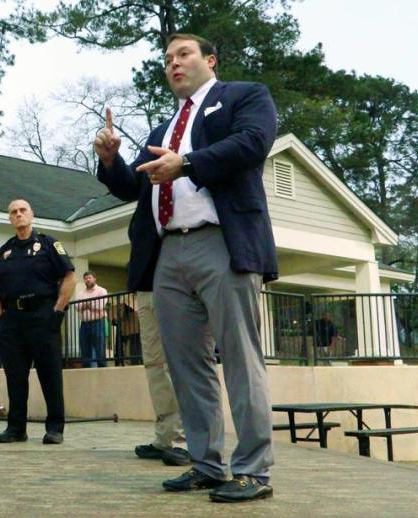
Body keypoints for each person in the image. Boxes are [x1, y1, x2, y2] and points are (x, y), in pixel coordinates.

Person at [94, 33, 278, 502]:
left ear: (210, 60)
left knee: (240, 358)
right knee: (187, 366)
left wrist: (188, 164)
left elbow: (253, 144)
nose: (173, 63)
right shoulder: (163, 129)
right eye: (167, 59)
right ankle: (207, 464)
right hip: (167, 253)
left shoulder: (242, 96)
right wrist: (112, 160)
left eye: (184, 54)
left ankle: (254, 471)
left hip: (222, 242)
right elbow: (133, 187)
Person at [0, 199, 76, 445]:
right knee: (15, 377)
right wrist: (2, 317)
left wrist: (57, 311)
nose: (18, 215)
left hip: (42, 317)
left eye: (22, 210)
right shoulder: (3, 252)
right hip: (13, 321)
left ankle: (55, 428)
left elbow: (69, 277)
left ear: (31, 215)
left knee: (50, 374)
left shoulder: (49, 245)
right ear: (10, 219)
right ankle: (16, 429)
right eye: (13, 212)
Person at [131, 292, 190, 467]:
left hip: (169, 283)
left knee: (175, 363)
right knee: (154, 365)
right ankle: (165, 438)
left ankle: (186, 441)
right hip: (143, 287)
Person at [76, 271, 108, 368]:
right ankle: (86, 370)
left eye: (89, 278)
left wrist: (86, 305)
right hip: (84, 323)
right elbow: (77, 307)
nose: (88, 280)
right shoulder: (81, 293)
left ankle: (102, 370)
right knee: (84, 348)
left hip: (97, 322)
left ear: (94, 278)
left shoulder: (101, 291)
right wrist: (90, 305)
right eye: (86, 278)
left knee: (99, 348)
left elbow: (100, 305)